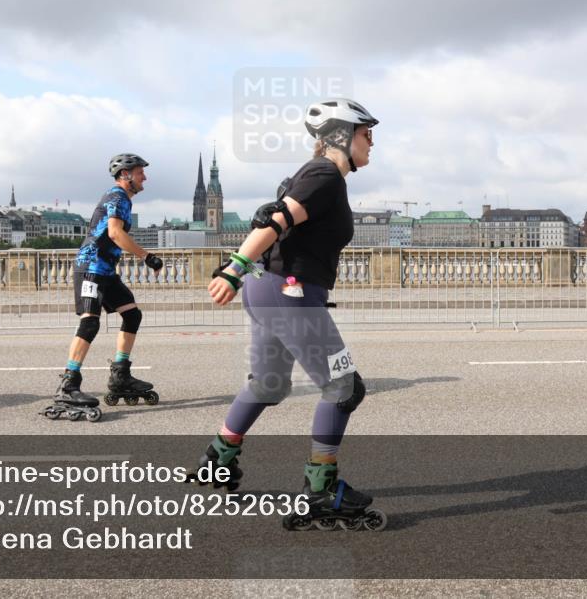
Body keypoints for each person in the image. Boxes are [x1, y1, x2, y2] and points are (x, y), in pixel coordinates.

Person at [196, 99, 386, 531]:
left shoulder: (314, 176)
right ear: (341, 135)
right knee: (343, 388)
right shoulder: (323, 175)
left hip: (268, 289)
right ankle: (321, 490)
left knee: (268, 385)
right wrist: (233, 267)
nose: (372, 142)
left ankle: (219, 456)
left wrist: (244, 269)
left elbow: (274, 215)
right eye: (366, 133)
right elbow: (277, 220)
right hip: (289, 292)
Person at [48, 153, 164, 419]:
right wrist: (147, 256)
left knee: (132, 314)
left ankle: (120, 375)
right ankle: (68, 383)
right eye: (139, 172)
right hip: (90, 268)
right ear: (125, 175)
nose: (144, 177)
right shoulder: (117, 197)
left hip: (105, 271)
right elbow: (114, 233)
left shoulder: (121, 199)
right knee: (90, 323)